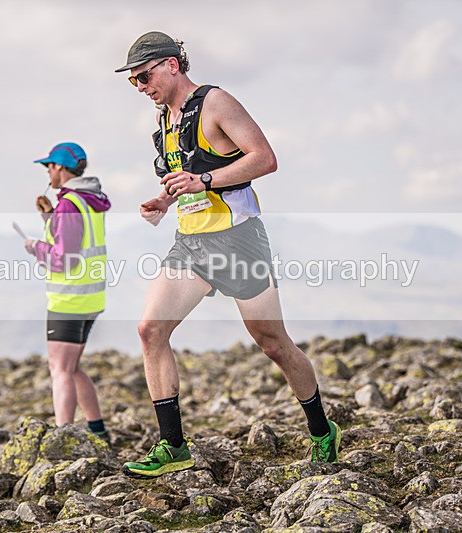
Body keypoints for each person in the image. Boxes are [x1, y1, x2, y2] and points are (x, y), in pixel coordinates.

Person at [115, 32, 340, 477]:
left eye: (144, 76)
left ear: (171, 65)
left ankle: (321, 429)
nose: (140, 87)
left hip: (239, 240)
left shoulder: (216, 102)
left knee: (273, 344)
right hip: (192, 242)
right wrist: (165, 201)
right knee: (149, 330)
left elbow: (264, 158)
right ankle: (173, 445)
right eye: (133, 82)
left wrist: (205, 183)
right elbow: (187, 177)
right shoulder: (164, 123)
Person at [24, 142, 112, 442]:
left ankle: (64, 439)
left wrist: (35, 246)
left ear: (60, 168)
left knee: (60, 369)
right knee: (72, 368)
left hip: (69, 298)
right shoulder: (88, 200)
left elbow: (64, 258)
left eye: (49, 166)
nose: (47, 171)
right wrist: (50, 218)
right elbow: (75, 240)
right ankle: (97, 430)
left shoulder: (70, 204)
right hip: (90, 297)